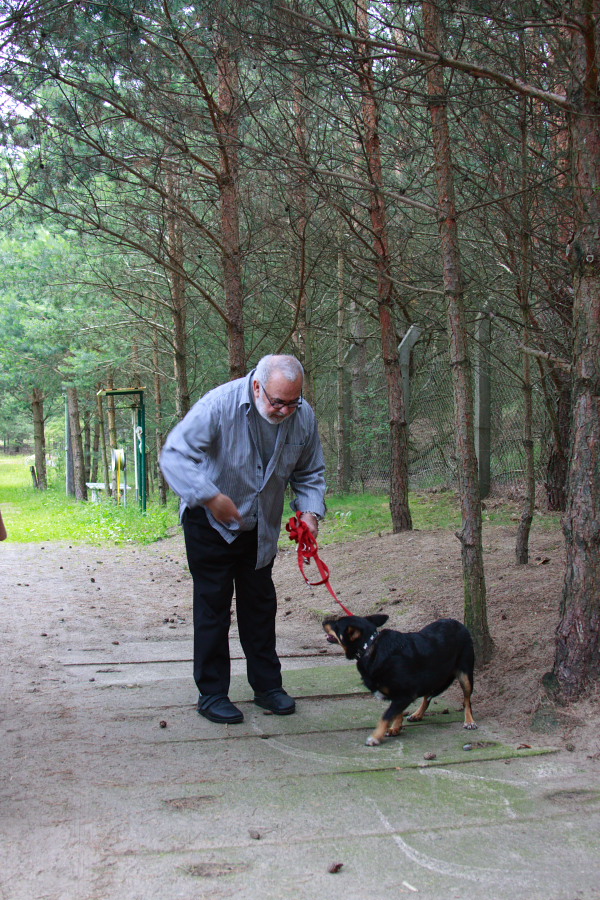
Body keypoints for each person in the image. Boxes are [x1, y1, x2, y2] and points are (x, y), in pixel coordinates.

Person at [160, 354, 326, 725]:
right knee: (213, 607)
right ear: (256, 386)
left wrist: (309, 512)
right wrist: (209, 496)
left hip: (260, 526)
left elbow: (310, 471)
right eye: (277, 401)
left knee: (260, 607)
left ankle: (268, 688)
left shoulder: (303, 416)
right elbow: (174, 455)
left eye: (292, 402)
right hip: (209, 522)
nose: (284, 410)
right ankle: (212, 693)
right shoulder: (218, 405)